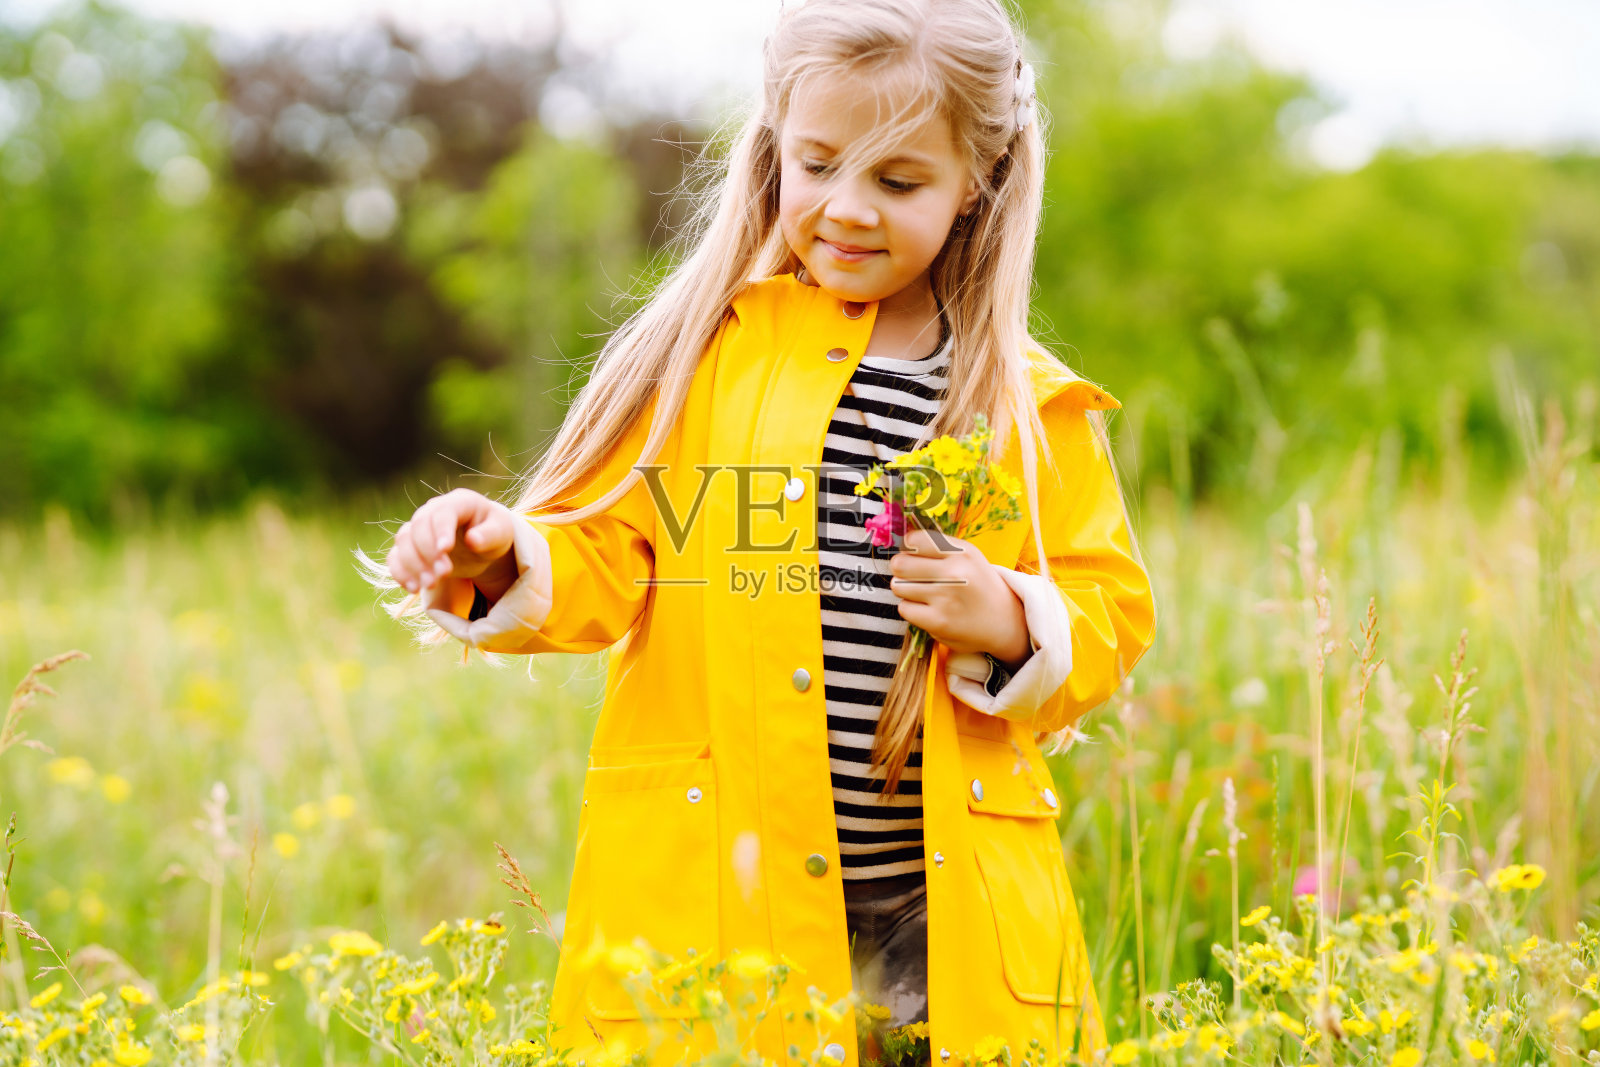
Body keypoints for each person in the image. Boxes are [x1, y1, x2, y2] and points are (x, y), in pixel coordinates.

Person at [371, 0, 1155, 1061]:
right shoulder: (708, 356)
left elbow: (1108, 615)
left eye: (898, 180)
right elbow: (604, 553)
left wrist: (1013, 617)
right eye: (819, 164)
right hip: (731, 904)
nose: (846, 208)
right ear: (776, 144)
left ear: (976, 183)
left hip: (951, 929)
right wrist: (507, 553)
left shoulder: (1029, 406)